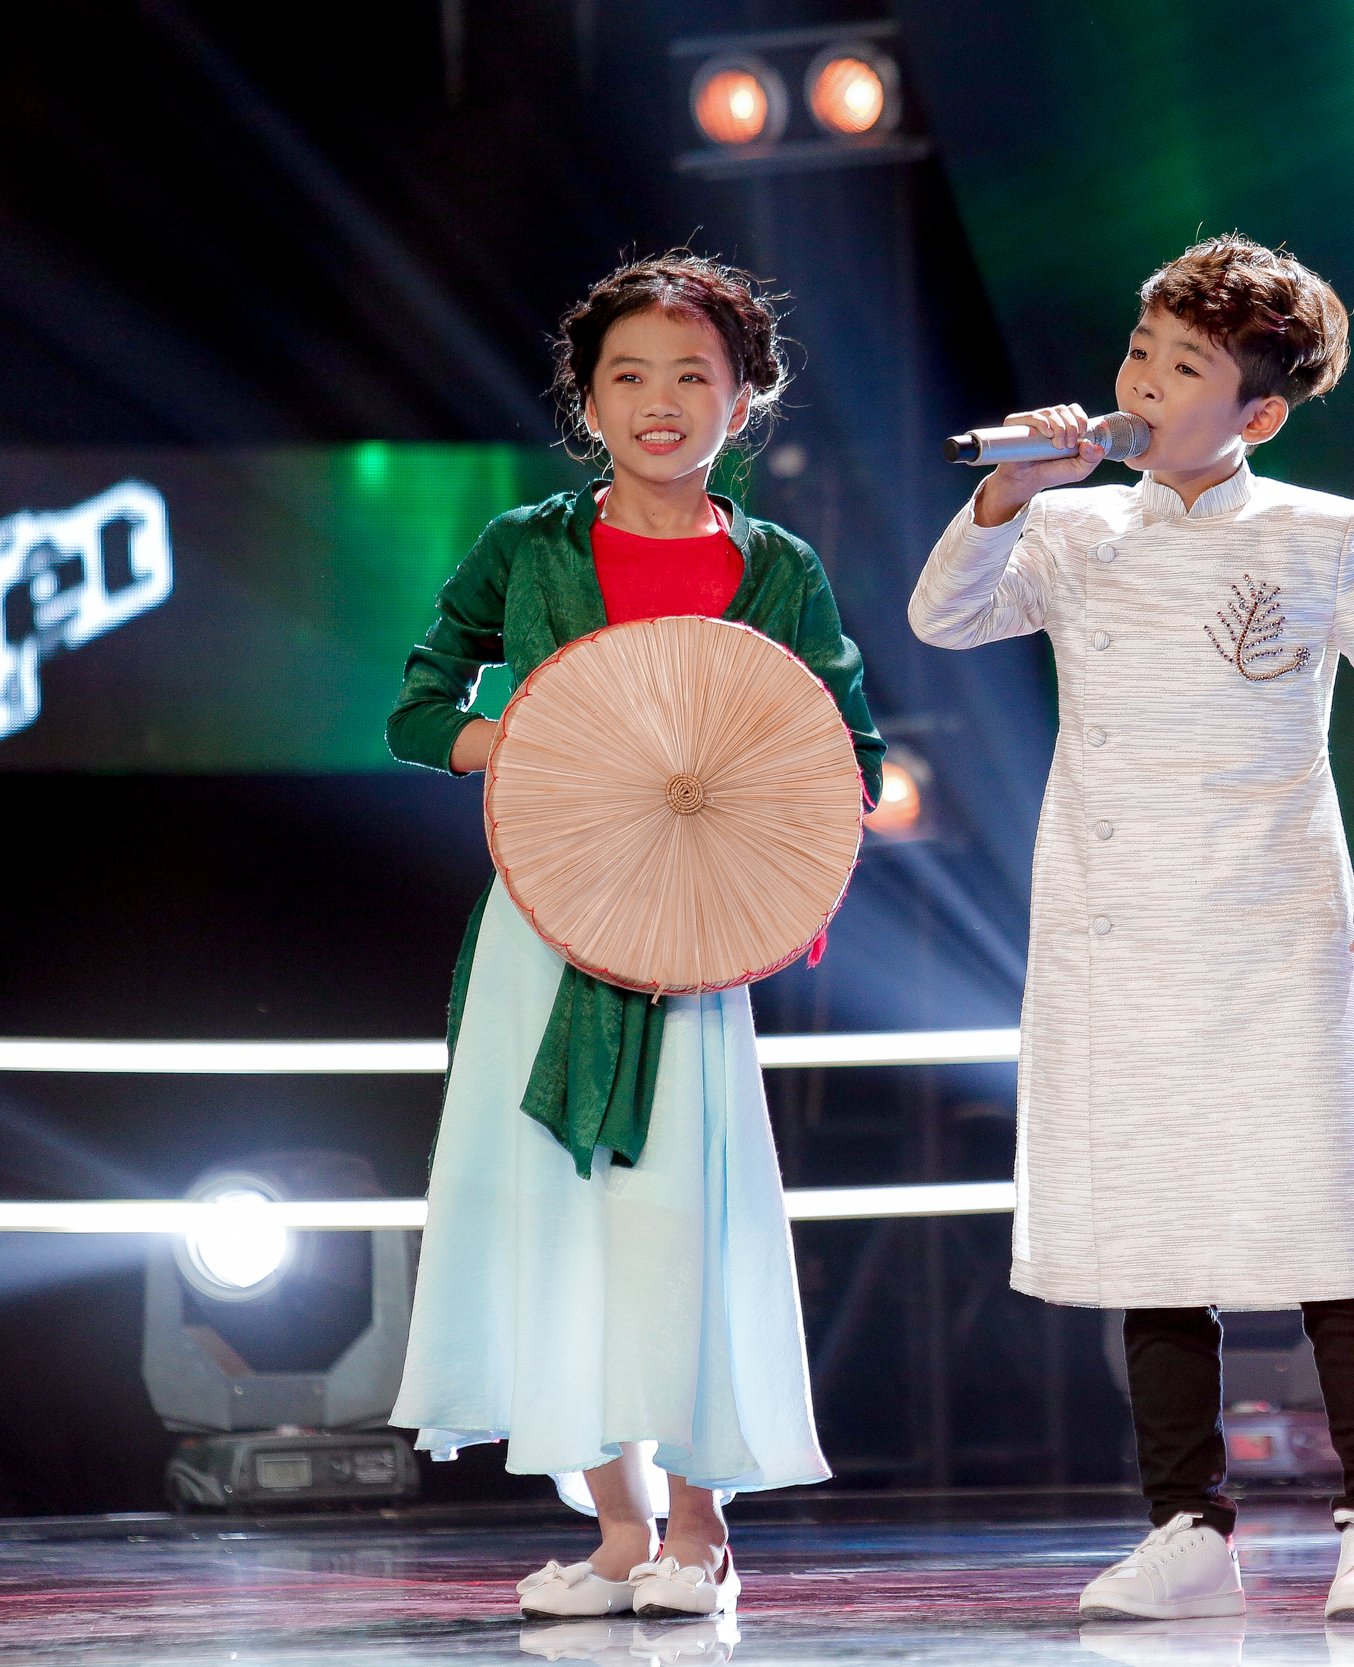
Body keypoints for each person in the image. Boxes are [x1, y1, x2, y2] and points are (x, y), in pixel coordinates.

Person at [909, 234, 1354, 1623]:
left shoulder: (1319, 531)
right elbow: (941, 618)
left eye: (1184, 366)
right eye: (1141, 350)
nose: (1144, 380)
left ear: (1258, 413)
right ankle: (1185, 1524)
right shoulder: (1072, 529)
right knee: (1151, 1234)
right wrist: (1009, 492)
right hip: (1119, 925)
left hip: (1275, 921)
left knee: (1329, 1224)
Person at [385, 253, 884, 1617]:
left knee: (682, 1227)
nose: (660, 402)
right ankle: (618, 1528)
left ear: (742, 398)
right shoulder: (527, 546)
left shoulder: (774, 568)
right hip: (544, 931)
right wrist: (514, 741)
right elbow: (419, 706)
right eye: (629, 376)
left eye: (692, 376)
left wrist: (777, 832)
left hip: (695, 947)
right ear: (588, 400)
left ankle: (701, 1534)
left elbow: (848, 749)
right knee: (553, 1222)